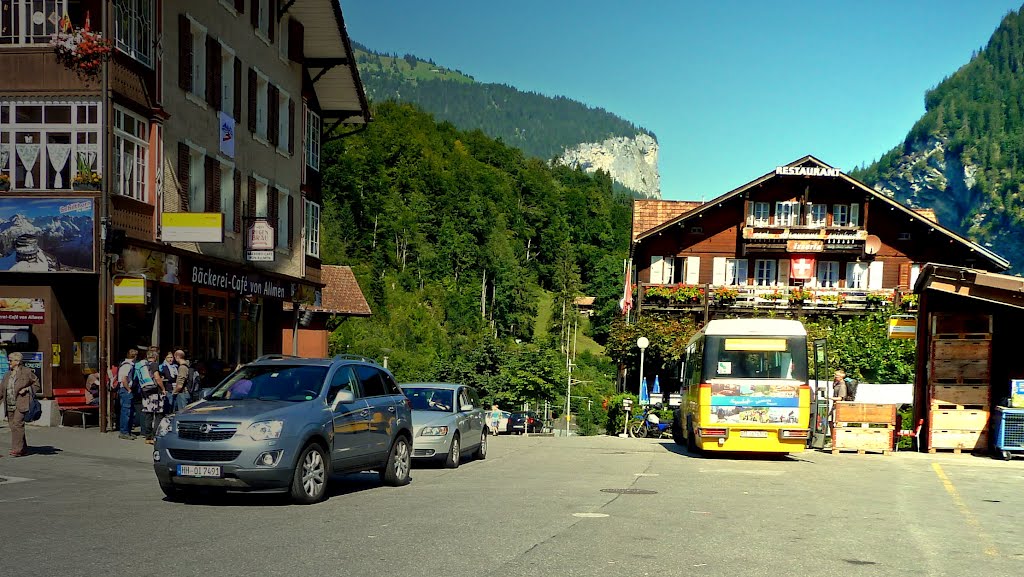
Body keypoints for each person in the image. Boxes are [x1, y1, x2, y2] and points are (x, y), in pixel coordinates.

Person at [0, 352, 39, 457]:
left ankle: (17, 449)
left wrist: (27, 389)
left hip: (22, 402)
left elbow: (36, 384)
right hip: (9, 403)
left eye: (11, 360)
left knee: (18, 424)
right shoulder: (7, 374)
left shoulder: (26, 372)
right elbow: (1, 390)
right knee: (13, 426)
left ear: (17, 361)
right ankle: (23, 448)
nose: (9, 362)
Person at [138, 350, 164, 445]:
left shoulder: (143, 365)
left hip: (146, 392)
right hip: (155, 393)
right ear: (155, 357)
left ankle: (147, 436)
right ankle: (154, 436)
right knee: (158, 415)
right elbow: (157, 377)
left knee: (148, 415)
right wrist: (163, 388)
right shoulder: (154, 365)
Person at [116, 348, 138, 440]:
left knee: (130, 411)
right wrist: (128, 389)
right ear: (134, 356)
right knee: (126, 411)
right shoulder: (127, 366)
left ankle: (128, 431)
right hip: (125, 390)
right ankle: (124, 432)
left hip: (126, 389)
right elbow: (124, 379)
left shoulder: (128, 365)